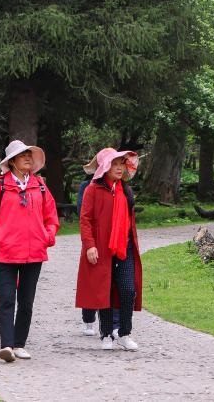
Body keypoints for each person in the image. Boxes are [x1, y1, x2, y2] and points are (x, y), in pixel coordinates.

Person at [0, 139, 59, 363]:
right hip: (6, 253)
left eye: (29, 155)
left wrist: (47, 236)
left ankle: (19, 344)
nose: (27, 158)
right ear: (12, 161)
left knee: (26, 302)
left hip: (34, 253)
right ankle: (6, 346)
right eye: (23, 155)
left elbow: (51, 217)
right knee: (7, 300)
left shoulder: (40, 186)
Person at [76, 147, 142, 351]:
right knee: (103, 290)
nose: (119, 168)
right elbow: (85, 219)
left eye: (122, 164)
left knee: (128, 289)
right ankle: (106, 333)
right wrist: (90, 245)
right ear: (105, 167)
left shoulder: (126, 190)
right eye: (115, 164)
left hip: (125, 246)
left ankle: (124, 333)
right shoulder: (93, 190)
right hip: (101, 248)